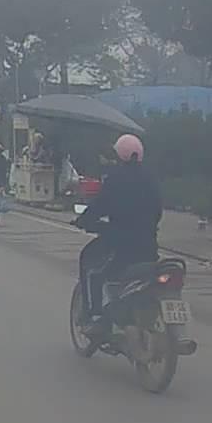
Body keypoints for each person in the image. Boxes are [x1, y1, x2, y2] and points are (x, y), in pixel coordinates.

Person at [72, 134, 162, 333]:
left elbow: (99, 206)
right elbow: (158, 212)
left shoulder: (115, 179)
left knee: (92, 270)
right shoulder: (151, 178)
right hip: (149, 248)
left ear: (119, 155)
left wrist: (83, 221)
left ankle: (96, 316)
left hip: (120, 247)